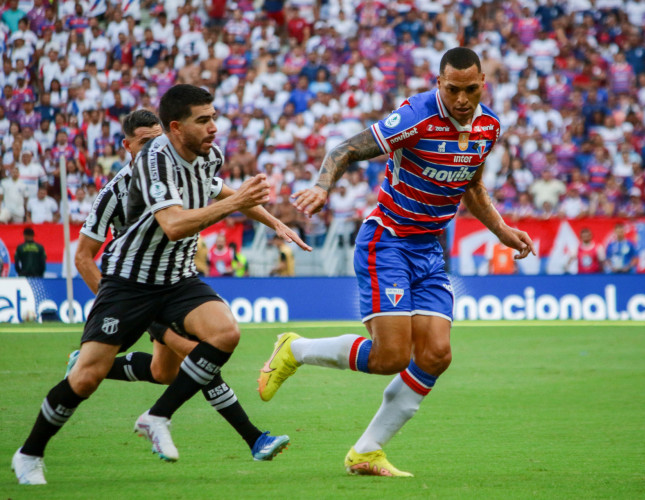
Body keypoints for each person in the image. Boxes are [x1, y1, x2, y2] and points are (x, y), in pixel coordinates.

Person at [258, 48, 535, 477]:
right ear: (438, 82)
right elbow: (345, 149)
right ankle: (295, 349)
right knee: (390, 356)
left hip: (428, 250)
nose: (462, 99)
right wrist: (321, 186)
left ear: (484, 82)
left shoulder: (488, 126)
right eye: (453, 89)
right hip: (386, 241)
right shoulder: (415, 116)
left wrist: (502, 231)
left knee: (436, 354)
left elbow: (472, 186)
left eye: (471, 89)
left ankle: (367, 451)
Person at [12, 85, 308, 485]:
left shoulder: (207, 155)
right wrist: (237, 205)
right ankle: (29, 454)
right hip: (129, 282)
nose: (214, 128)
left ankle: (157, 416)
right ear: (175, 127)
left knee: (223, 334)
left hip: (178, 279)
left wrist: (273, 220)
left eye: (214, 117)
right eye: (203, 121)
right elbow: (173, 225)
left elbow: (220, 190)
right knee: (85, 379)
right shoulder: (152, 162)